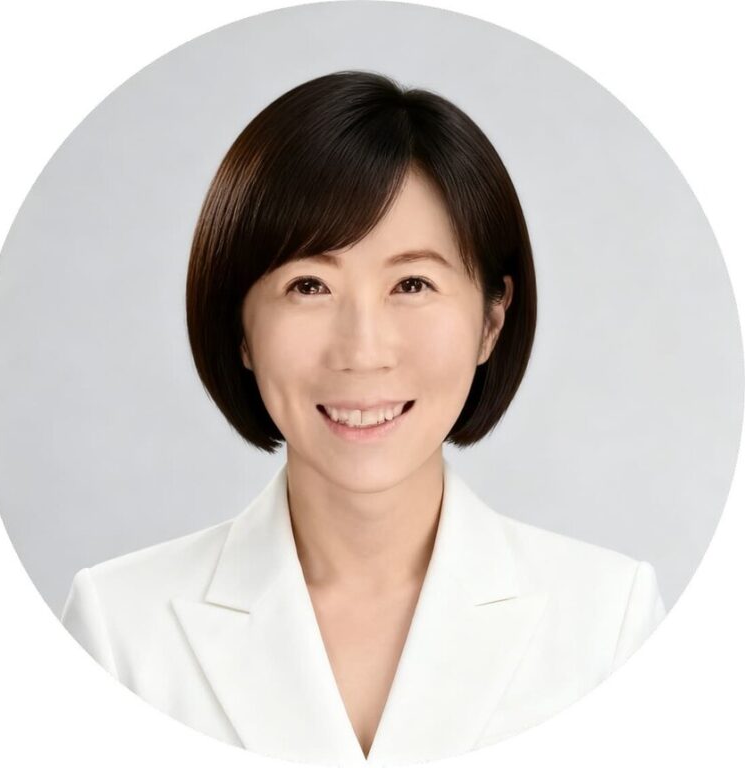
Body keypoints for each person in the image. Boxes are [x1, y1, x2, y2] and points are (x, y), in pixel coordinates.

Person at [61, 71, 666, 766]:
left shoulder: (609, 625)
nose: (362, 351)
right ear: (241, 330)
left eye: (412, 283)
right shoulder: (119, 630)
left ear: (491, 320)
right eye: (308, 286)